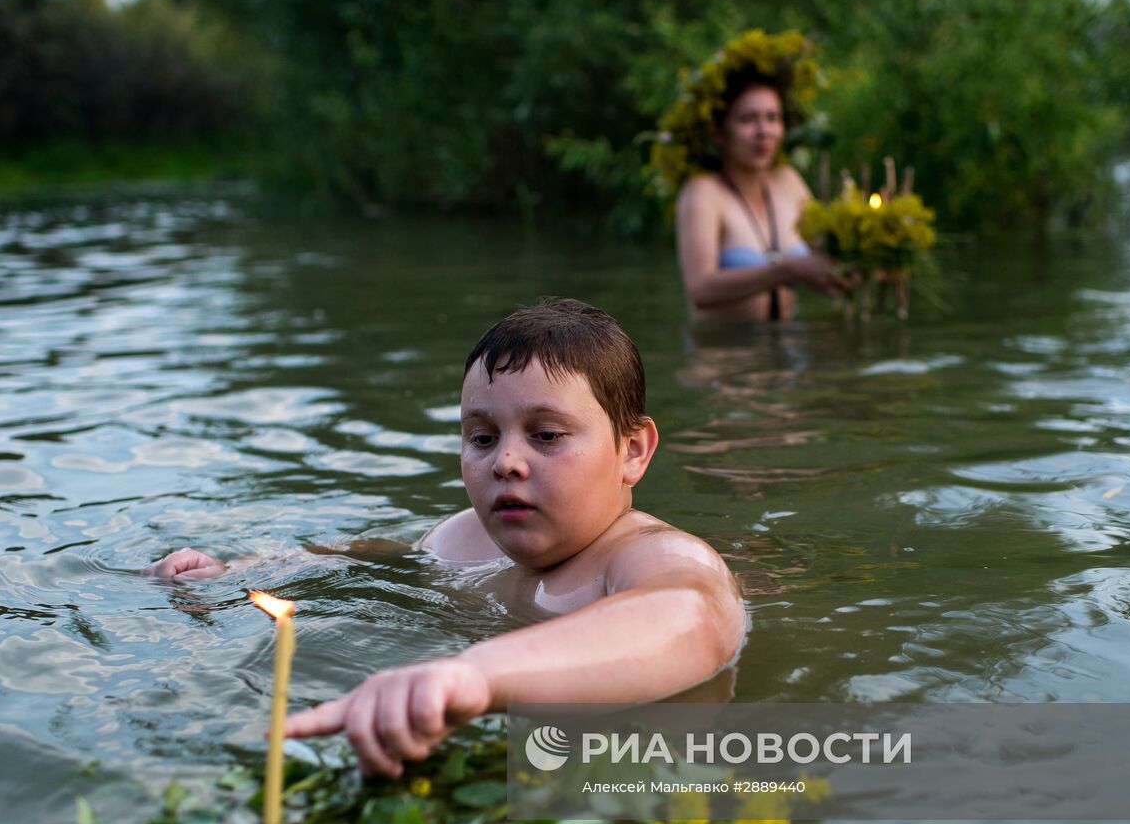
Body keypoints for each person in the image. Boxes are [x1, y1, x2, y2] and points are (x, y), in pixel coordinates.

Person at [144, 299, 746, 776]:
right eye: (482, 438)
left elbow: (690, 617)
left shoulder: (650, 555)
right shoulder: (467, 539)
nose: (506, 461)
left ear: (632, 451)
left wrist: (474, 676)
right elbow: (372, 551)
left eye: (546, 435)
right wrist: (243, 568)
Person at [674, 71, 846, 321]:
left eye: (772, 118)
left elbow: (824, 255)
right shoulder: (702, 191)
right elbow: (700, 289)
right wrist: (790, 269)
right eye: (747, 119)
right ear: (719, 132)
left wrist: (868, 255)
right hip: (721, 353)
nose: (763, 131)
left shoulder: (788, 180)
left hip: (788, 345)